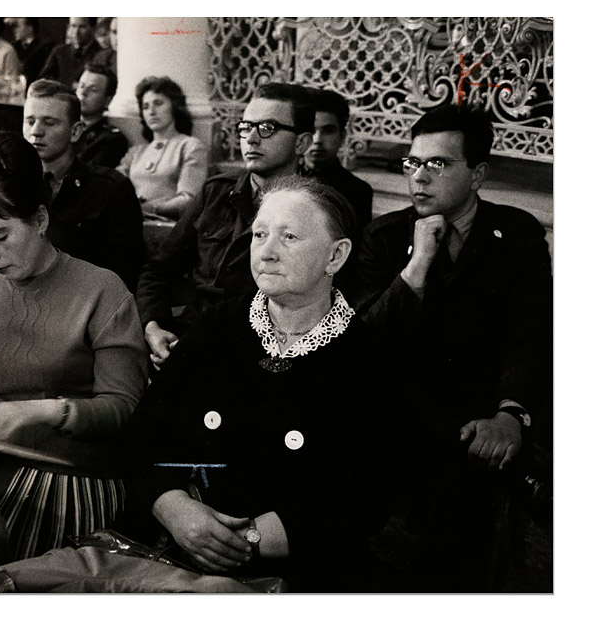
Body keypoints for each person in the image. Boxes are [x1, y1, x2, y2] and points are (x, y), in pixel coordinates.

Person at [127, 176, 394, 591]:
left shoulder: (366, 356)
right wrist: (173, 507)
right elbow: (144, 433)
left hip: (298, 569)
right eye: (259, 234)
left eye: (289, 237)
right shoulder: (217, 325)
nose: (266, 252)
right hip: (173, 547)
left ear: (336, 256)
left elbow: (365, 492)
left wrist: (248, 539)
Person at [349, 105, 553, 591]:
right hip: (406, 413)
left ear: (478, 173)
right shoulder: (385, 236)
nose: (418, 177)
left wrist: (510, 414)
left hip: (488, 407)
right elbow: (366, 343)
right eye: (412, 163)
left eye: (436, 164)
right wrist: (417, 264)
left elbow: (530, 334)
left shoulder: (518, 235)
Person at [0, 131, 148, 560]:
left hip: (78, 477)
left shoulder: (102, 290)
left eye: (0, 235)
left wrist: (42, 410)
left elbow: (123, 407)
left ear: (40, 220)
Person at [135, 83, 314, 367]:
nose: (252, 139)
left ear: (302, 143)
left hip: (257, 354)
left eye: (268, 128)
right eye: (246, 127)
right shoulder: (216, 193)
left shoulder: (318, 210)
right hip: (187, 337)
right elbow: (158, 269)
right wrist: (154, 326)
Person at [23, 79, 145, 290]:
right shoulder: (9, 184)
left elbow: (125, 274)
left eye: (49, 122)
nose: (36, 131)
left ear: (75, 131)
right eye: (30, 120)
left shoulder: (110, 189)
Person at [117, 76, 209, 220]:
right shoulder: (135, 153)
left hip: (169, 227)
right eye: (145, 107)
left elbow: (188, 200)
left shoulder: (190, 146)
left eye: (158, 103)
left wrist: (150, 208)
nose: (151, 111)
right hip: (129, 223)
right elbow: (114, 190)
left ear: (174, 106)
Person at [304, 88, 374, 234]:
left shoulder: (357, 191)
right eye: (311, 130)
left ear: (342, 136)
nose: (317, 140)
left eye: (328, 131)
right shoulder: (281, 178)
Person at [74, 63, 129, 169]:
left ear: (107, 100)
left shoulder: (112, 140)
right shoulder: (62, 126)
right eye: (81, 86)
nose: (83, 93)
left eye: (93, 89)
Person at [40, 17, 103, 89]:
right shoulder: (59, 51)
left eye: (82, 27)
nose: (76, 32)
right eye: (73, 26)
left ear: (93, 28)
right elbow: (44, 78)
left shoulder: (101, 53)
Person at [7, 17, 54, 87]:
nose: (14, 30)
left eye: (18, 26)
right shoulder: (12, 47)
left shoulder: (44, 47)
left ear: (30, 28)